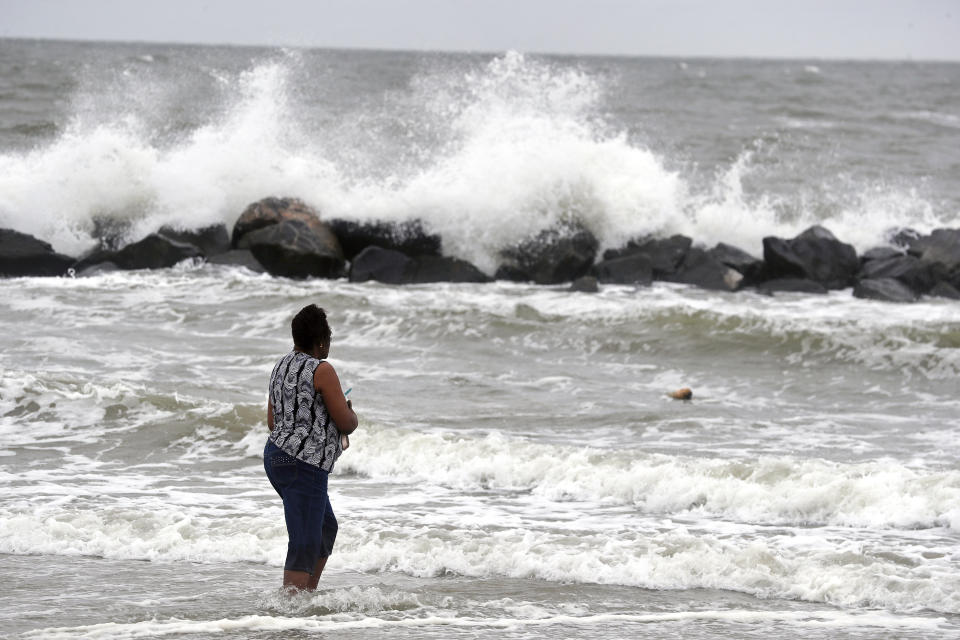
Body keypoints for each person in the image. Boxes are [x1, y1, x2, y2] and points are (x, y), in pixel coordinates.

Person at [263, 304, 358, 591]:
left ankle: (305, 595)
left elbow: (272, 421)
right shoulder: (322, 369)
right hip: (304, 465)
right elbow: (347, 422)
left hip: (276, 457)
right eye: (328, 338)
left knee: (325, 529)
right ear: (321, 341)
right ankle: (290, 609)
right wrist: (350, 413)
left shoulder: (280, 365)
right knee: (305, 540)